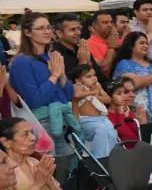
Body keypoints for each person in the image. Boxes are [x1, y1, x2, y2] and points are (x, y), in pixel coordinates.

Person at [9, 13, 78, 171]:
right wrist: (54, 76)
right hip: (41, 124)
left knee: (67, 172)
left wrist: (61, 76)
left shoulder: (51, 57)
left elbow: (68, 95)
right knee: (48, 174)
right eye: (40, 28)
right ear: (27, 32)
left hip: (62, 121)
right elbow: (34, 100)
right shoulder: (22, 62)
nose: (47, 32)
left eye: (48, 27)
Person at [114, 32, 152, 123]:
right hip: (141, 117)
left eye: (147, 43)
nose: (146, 45)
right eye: (141, 43)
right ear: (131, 46)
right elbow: (134, 83)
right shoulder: (124, 64)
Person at [71, 63, 120, 158]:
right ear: (78, 80)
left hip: (102, 119)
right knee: (101, 130)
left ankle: (112, 158)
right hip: (86, 121)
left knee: (112, 133)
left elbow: (108, 99)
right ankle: (99, 158)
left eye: (94, 75)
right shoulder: (78, 86)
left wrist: (96, 96)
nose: (93, 78)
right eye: (88, 76)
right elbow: (76, 95)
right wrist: (92, 92)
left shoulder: (98, 86)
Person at [87, 10, 121, 84]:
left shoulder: (115, 40)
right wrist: (111, 48)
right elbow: (104, 70)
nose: (109, 25)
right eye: (105, 22)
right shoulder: (90, 44)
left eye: (111, 22)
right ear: (94, 25)